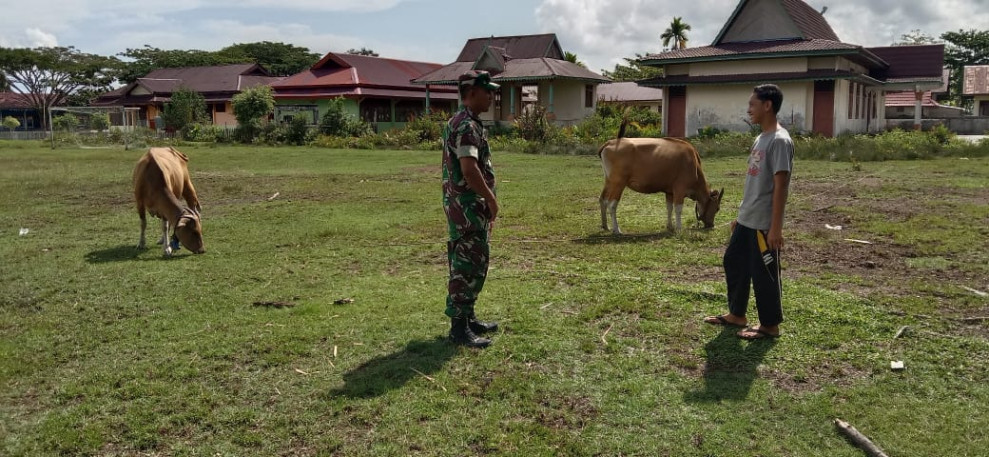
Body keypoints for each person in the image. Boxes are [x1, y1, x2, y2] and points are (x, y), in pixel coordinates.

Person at [704, 84, 793, 340]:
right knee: (734, 261)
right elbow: (756, 182)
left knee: (763, 274)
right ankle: (737, 314)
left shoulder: (780, 140)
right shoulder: (761, 138)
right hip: (747, 219)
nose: (748, 109)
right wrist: (741, 216)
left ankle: (770, 325)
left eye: (752, 104)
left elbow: (780, 187)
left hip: (763, 224)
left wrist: (775, 227)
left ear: (768, 105)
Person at [441, 70, 501, 348]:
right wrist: (490, 198)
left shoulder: (464, 121)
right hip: (468, 209)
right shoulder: (466, 125)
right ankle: (458, 329)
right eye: (487, 90)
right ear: (471, 92)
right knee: (466, 266)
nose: (491, 95)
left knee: (473, 263)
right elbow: (469, 168)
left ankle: (469, 317)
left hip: (466, 207)